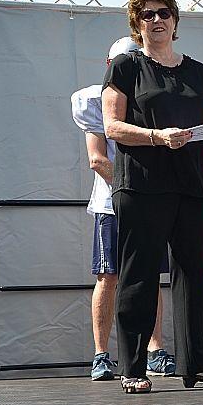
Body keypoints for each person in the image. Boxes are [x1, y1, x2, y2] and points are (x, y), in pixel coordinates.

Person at [102, 0, 203, 393]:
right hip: (143, 185)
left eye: (164, 13)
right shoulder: (125, 66)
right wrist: (157, 137)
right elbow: (112, 127)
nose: (157, 20)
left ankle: (197, 364)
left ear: (175, 21)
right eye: (148, 15)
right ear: (137, 24)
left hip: (193, 184)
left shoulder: (198, 71)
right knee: (139, 275)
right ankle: (133, 367)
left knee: (193, 274)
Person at [71, 36, 176, 381]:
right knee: (109, 276)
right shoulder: (93, 100)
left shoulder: (153, 97)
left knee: (150, 276)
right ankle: (102, 354)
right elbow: (97, 159)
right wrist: (132, 187)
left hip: (150, 202)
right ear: (110, 65)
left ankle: (155, 350)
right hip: (113, 203)